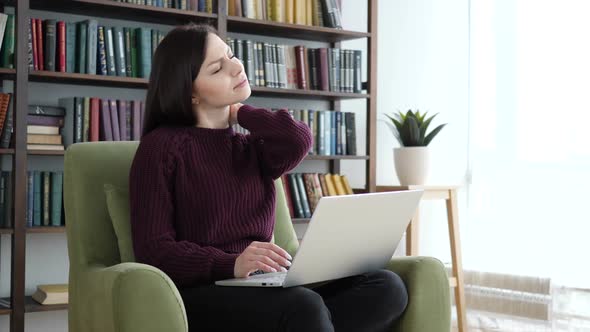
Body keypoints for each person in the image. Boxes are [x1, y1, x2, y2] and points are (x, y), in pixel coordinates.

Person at [129, 23, 408, 332]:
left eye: (231, 54)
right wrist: (230, 263)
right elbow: (154, 250)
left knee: (386, 287)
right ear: (190, 92)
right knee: (303, 307)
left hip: (263, 284)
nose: (236, 66)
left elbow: (298, 138)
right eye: (217, 68)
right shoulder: (161, 147)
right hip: (203, 291)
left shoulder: (251, 147)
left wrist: (240, 113)